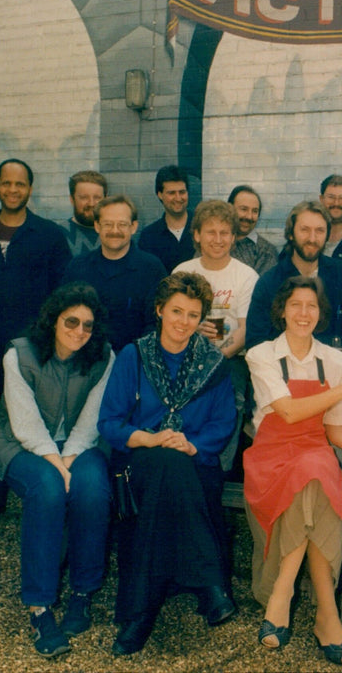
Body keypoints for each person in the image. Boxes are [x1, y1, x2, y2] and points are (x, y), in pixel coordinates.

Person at [98, 272, 238, 656]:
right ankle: (210, 584)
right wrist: (152, 438)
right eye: (176, 311)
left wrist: (190, 446)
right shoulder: (134, 355)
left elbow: (223, 423)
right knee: (163, 462)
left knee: (172, 468)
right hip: (139, 463)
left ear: (202, 320)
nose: (183, 322)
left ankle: (138, 613)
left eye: (193, 315)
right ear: (160, 310)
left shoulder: (214, 364)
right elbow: (109, 422)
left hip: (195, 461)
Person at [244, 276, 342, 665]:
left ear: (321, 314)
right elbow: (287, 412)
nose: (304, 313)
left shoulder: (333, 360)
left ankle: (282, 596)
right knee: (314, 474)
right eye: (296, 305)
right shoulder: (261, 354)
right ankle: (327, 616)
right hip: (269, 454)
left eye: (312, 306)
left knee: (314, 469)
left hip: (314, 449)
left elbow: (333, 426)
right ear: (282, 310)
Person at [0, 283, 114, 657]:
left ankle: (82, 592)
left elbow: (93, 419)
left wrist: (70, 458)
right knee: (46, 488)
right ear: (54, 320)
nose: (79, 331)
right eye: (71, 321)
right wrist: (53, 463)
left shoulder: (103, 357)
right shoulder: (20, 354)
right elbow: (25, 424)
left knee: (92, 486)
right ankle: (40, 607)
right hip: (20, 443)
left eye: (87, 325)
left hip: (80, 444)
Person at [0, 158, 72, 526]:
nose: (12, 190)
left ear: (30, 189)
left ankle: (45, 498)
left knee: (37, 421)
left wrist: (50, 340)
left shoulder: (49, 235)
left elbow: (63, 292)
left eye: (20, 184)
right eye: (6, 183)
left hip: (33, 349)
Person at [173, 199, 259, 471]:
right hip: (184, 353)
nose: (218, 239)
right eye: (210, 232)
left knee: (232, 402)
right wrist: (191, 329)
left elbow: (246, 329)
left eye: (225, 233)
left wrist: (218, 358)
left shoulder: (246, 276)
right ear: (197, 235)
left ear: (234, 238)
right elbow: (168, 321)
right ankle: (181, 463)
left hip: (230, 359)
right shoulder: (183, 272)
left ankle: (216, 471)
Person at [246, 201, 342, 367]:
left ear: (327, 235)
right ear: (291, 233)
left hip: (332, 371)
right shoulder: (269, 282)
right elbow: (255, 343)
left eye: (319, 231)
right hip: (283, 374)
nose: (312, 239)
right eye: (305, 230)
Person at [62, 195, 167, 352]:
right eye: (108, 224)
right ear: (97, 226)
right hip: (84, 363)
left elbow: (158, 323)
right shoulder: (77, 267)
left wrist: (132, 358)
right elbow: (63, 316)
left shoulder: (152, 268)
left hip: (135, 363)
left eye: (122, 224)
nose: (115, 231)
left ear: (133, 227)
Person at [138, 165, 196, 272]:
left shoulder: (202, 227)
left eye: (182, 192)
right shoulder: (149, 236)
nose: (178, 198)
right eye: (171, 193)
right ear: (160, 194)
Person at [228, 184, 278, 275]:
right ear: (230, 209)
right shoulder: (215, 243)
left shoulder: (266, 252)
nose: (249, 217)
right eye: (244, 209)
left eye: (255, 211)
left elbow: (262, 288)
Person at [60, 170, 108, 256]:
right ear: (72, 199)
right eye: (84, 197)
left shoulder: (116, 233)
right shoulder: (59, 234)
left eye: (97, 197)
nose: (91, 203)